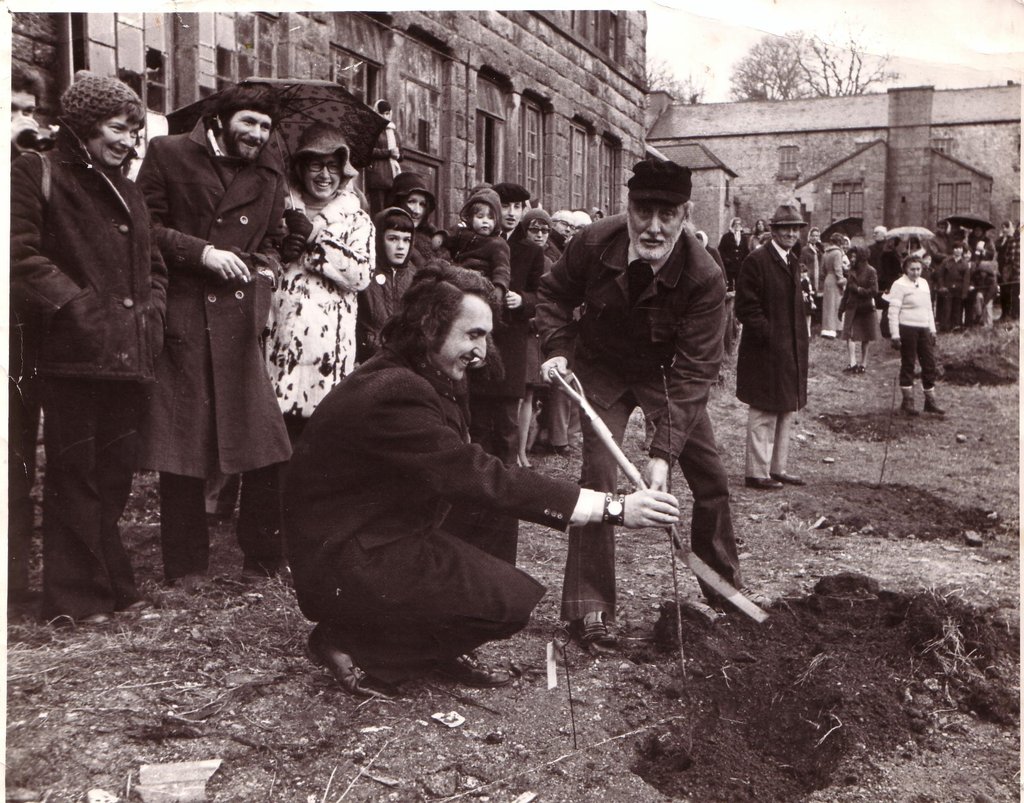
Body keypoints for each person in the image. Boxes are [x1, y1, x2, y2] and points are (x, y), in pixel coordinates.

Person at [284, 263, 679, 697]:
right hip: (344, 557)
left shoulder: (421, 371)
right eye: (472, 335)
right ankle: (351, 642)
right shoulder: (395, 390)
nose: (483, 350)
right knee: (508, 606)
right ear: (428, 327)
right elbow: (480, 473)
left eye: (486, 336)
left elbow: (480, 474)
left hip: (377, 526)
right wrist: (615, 509)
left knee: (492, 516)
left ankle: (438, 636)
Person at [536, 158, 744, 653]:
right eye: (643, 212)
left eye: (667, 215)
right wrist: (558, 347)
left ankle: (722, 588)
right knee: (598, 478)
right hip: (601, 370)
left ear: (685, 214)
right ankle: (589, 610)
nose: (654, 227)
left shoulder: (705, 275)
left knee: (710, 475)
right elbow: (553, 293)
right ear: (626, 208)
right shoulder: (590, 242)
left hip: (667, 376)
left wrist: (661, 453)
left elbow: (697, 371)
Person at [11, 72, 168, 624]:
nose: (126, 141)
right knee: (75, 474)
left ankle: (112, 585)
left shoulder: (127, 188)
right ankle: (76, 599)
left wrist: (152, 314)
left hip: (127, 355)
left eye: (134, 131)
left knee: (113, 475)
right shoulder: (37, 170)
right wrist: (78, 309)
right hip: (73, 354)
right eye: (116, 128)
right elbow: (19, 254)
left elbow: (155, 269)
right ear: (82, 125)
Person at [136, 82, 292, 589]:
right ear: (222, 119)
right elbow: (144, 226)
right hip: (182, 314)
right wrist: (200, 252)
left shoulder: (268, 170)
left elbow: (273, 239)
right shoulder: (168, 152)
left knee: (263, 441)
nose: (258, 134)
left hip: (239, 317)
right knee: (182, 444)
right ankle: (186, 568)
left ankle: (262, 558)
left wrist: (267, 271)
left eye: (266, 126)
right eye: (249, 122)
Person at [265, 123, 373, 444]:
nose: (324, 175)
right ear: (300, 168)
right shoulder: (280, 209)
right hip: (278, 351)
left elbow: (361, 274)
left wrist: (315, 239)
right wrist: (283, 252)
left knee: (314, 454)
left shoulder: (356, 219)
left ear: (344, 172)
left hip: (327, 358)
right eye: (315, 165)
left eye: (333, 166)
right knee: (272, 456)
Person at [9, 62, 49, 602]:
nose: (21, 120)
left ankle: (12, 584)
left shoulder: (28, 172)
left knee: (17, 454)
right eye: (10, 110)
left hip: (19, 332)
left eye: (28, 110)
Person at [734, 203, 809, 491]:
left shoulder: (791, 260)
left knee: (786, 406)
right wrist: (770, 336)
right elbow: (746, 308)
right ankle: (756, 472)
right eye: (785, 228)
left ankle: (778, 468)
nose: (791, 233)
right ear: (773, 230)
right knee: (764, 408)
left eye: (795, 229)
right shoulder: (757, 261)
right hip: (764, 350)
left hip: (790, 347)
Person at [517, 207, 555, 467]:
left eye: (545, 230)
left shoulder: (550, 263)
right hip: (517, 328)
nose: (540, 235)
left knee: (529, 394)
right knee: (515, 395)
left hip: (535, 334)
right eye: (534, 229)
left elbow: (551, 298)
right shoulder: (516, 254)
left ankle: (522, 451)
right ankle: (513, 449)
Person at [885, 255, 943, 416]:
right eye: (912, 269)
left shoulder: (924, 283)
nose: (916, 272)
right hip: (907, 329)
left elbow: (928, 308)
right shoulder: (899, 285)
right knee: (908, 363)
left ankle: (930, 401)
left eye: (919, 269)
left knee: (929, 364)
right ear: (905, 269)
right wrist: (895, 334)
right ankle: (908, 401)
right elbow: (893, 311)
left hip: (924, 329)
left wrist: (932, 329)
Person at [357, 206, 417, 361]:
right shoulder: (364, 272)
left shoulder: (416, 277)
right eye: (393, 239)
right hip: (369, 359)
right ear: (378, 239)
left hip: (407, 361)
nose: (401, 247)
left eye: (406, 239)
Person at [446, 185, 512, 296]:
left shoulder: (498, 244)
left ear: (497, 221)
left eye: (490, 218)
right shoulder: (463, 233)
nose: (485, 221)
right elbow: (450, 237)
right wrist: (441, 237)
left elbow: (502, 269)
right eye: (480, 217)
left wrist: (499, 287)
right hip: (456, 281)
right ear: (471, 218)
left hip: (481, 286)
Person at [389, 171, 447, 267]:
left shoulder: (432, 235)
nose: (417, 211)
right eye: (411, 202)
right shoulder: (388, 237)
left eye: (422, 204)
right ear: (398, 202)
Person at [839, 245, 881, 373]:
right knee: (850, 334)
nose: (852, 258)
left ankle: (863, 363)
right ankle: (852, 363)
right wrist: (841, 308)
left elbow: (874, 290)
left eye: (854, 256)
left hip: (865, 308)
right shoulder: (851, 270)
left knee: (865, 336)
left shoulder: (871, 271)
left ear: (861, 257)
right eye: (851, 256)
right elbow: (847, 291)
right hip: (852, 307)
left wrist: (859, 290)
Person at [364, 99, 401, 215]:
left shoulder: (394, 131)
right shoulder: (372, 129)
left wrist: (398, 154)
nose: (385, 116)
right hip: (378, 175)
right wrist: (389, 153)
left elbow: (401, 152)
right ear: (376, 113)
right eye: (382, 113)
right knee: (378, 212)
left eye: (387, 113)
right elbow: (368, 151)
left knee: (391, 211)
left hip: (393, 176)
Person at [935, 242, 970, 331]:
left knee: (957, 309)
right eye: (956, 248)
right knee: (947, 308)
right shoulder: (946, 261)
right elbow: (940, 275)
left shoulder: (965, 264)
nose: (958, 250)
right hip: (947, 289)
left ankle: (956, 327)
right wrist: (942, 286)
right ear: (952, 250)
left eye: (960, 248)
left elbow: (966, 280)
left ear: (962, 250)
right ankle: (945, 327)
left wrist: (964, 293)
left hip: (959, 290)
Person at [819, 232, 848, 338]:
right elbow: (838, 270)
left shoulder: (825, 253)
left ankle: (827, 329)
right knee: (836, 304)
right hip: (835, 280)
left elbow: (822, 271)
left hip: (828, 279)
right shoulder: (837, 253)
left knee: (828, 305)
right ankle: (836, 328)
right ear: (839, 242)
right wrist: (842, 281)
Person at [995, 221, 1019, 321]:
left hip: (1015, 269)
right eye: (1003, 227)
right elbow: (999, 249)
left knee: (1013, 292)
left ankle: (1013, 314)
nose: (1004, 229)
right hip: (1004, 268)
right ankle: (1004, 313)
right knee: (1004, 291)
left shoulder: (1011, 238)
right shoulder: (1003, 240)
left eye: (1006, 227)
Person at [718, 216, 749, 292]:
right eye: (736, 224)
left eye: (739, 224)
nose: (737, 226)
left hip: (739, 265)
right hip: (729, 265)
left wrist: (744, 261)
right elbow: (721, 249)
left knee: (740, 283)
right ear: (732, 225)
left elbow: (746, 250)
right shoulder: (726, 237)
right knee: (729, 285)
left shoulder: (743, 237)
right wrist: (726, 259)